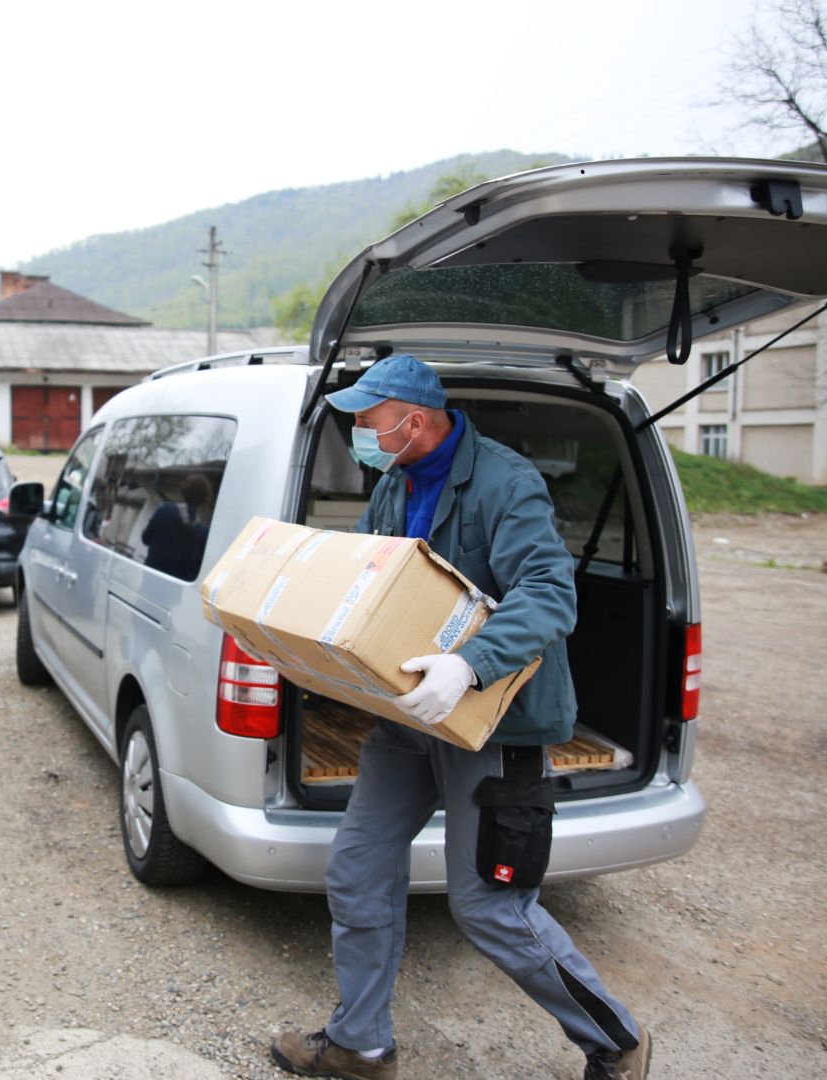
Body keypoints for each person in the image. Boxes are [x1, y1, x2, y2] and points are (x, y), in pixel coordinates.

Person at [270, 355, 650, 1080]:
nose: (359, 433)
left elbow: (549, 594)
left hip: (492, 723)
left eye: (368, 420)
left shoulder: (505, 483)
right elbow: (369, 577)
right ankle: (361, 1043)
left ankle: (616, 1041)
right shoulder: (394, 483)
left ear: (414, 421)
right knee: (356, 870)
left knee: (491, 908)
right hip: (410, 717)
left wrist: (469, 663)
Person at [140, 472, 212, 580]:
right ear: (203, 499)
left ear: (184, 490)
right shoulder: (204, 532)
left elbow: (145, 539)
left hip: (150, 579)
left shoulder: (164, 510)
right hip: (176, 588)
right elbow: (196, 569)